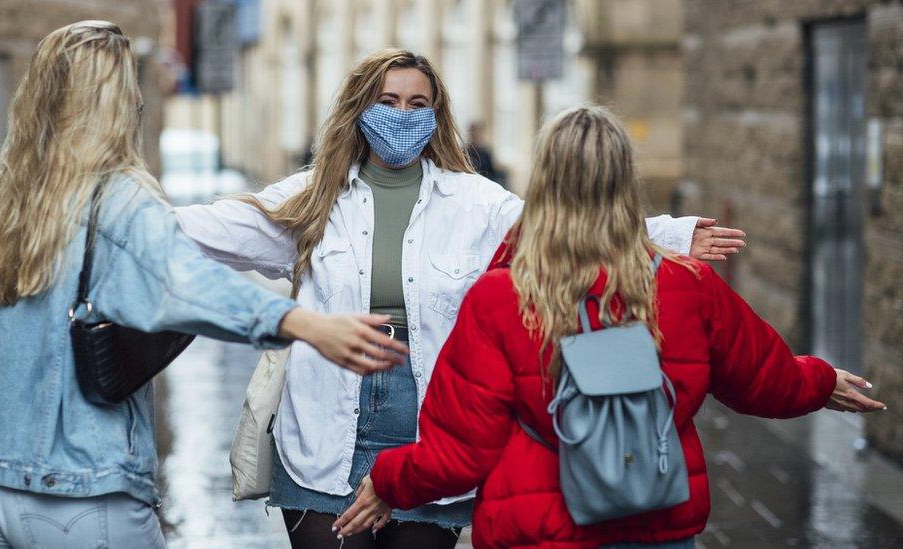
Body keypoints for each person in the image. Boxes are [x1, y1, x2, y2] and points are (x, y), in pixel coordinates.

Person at [175, 50, 743, 549]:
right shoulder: (313, 197)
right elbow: (209, 228)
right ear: (359, 109)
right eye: (388, 100)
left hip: (430, 423)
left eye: (418, 104)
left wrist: (664, 235)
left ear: (436, 116)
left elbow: (567, 228)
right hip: (322, 423)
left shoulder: (474, 202)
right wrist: (116, 215)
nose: (402, 115)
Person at [0, 21, 407, 549]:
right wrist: (305, 324)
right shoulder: (118, 199)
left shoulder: (10, 204)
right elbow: (187, 280)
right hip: (78, 494)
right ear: (120, 105)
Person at [334, 106, 887, 547]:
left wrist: (386, 481)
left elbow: (459, 454)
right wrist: (818, 382)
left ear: (545, 183)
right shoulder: (684, 283)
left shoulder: (500, 298)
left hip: (540, 528)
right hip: (658, 514)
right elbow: (761, 376)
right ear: (625, 182)